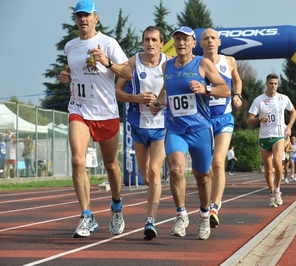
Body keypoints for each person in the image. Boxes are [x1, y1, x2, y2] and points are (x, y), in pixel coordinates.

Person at [59, 0, 132, 238]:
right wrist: (66, 75)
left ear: (96, 18)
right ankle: (86, 215)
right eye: (79, 15)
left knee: (111, 164)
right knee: (78, 160)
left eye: (86, 15)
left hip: (105, 112)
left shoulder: (109, 43)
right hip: (79, 109)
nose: (82, 19)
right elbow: (74, 72)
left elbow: (128, 72)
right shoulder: (70, 46)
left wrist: (107, 62)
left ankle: (117, 206)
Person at [150, 26, 230, 240]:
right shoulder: (166, 66)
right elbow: (166, 91)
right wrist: (158, 103)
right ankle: (181, 214)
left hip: (201, 129)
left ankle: (204, 215)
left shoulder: (202, 64)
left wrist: (206, 89)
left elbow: (225, 89)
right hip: (176, 128)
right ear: (173, 43)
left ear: (193, 43)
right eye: (177, 39)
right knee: (175, 168)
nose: (181, 43)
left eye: (185, 39)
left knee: (203, 177)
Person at [115, 26, 169, 240]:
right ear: (143, 42)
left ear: (161, 43)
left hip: (160, 126)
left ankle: (150, 220)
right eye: (147, 39)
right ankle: (153, 188)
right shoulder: (132, 62)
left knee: (155, 171)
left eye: (154, 40)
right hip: (138, 126)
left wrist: (160, 102)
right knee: (146, 176)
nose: (150, 43)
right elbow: (117, 92)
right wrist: (137, 98)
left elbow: (174, 88)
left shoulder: (169, 63)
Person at [199, 28, 243, 228]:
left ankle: (215, 206)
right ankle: (207, 205)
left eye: (213, 38)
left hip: (224, 118)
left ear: (219, 42)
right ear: (201, 44)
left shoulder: (229, 61)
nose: (209, 41)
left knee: (218, 162)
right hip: (203, 120)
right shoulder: (197, 63)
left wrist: (238, 94)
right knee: (205, 170)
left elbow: (236, 79)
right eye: (206, 38)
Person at [247, 73, 296, 207]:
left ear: (277, 85)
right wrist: (259, 119)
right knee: (269, 170)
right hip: (264, 137)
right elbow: (249, 120)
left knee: (278, 164)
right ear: (266, 84)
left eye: (275, 83)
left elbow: (293, 112)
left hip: (278, 136)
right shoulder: (259, 100)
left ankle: (278, 191)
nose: (273, 86)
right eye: (271, 83)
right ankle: (271, 193)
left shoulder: (283, 98)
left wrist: (289, 127)